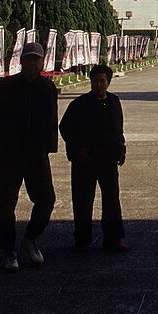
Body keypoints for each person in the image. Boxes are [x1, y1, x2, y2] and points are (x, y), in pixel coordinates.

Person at [0, 41, 58, 273]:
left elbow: (51, 120)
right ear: (21, 61)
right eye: (28, 59)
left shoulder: (47, 87)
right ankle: (9, 250)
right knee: (5, 204)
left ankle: (30, 238)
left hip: (36, 154)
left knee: (46, 199)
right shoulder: (8, 85)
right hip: (9, 153)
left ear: (42, 62)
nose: (32, 64)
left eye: (36, 60)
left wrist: (48, 147)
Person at [59, 63, 127, 253]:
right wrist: (77, 148)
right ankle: (82, 238)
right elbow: (65, 127)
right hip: (85, 160)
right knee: (82, 200)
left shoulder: (114, 101)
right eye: (95, 81)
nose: (98, 85)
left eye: (102, 81)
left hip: (108, 159)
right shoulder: (79, 104)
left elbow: (118, 129)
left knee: (112, 200)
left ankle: (113, 238)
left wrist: (121, 148)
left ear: (108, 82)